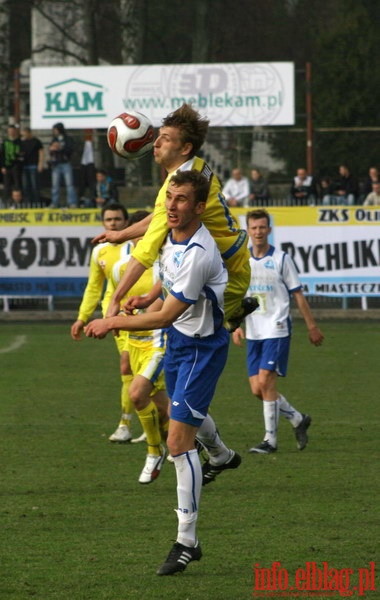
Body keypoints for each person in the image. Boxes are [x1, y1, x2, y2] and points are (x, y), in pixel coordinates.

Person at [85, 170, 241, 576]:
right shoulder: (172, 235)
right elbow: (167, 289)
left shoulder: (199, 253)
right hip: (179, 341)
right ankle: (222, 454)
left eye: (182, 199)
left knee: (177, 440)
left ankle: (187, 540)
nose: (172, 206)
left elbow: (167, 315)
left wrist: (112, 321)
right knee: (182, 411)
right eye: (169, 197)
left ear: (200, 207)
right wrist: (148, 294)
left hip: (201, 350)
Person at [92, 103, 253, 333]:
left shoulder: (180, 185)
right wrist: (122, 234)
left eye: (165, 139)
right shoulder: (196, 168)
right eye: (158, 136)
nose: (155, 143)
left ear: (185, 148)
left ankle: (231, 316)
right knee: (159, 315)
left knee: (175, 329)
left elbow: (145, 251)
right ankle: (233, 314)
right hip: (229, 264)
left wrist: (116, 299)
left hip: (225, 277)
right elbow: (160, 216)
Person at [232, 209, 324, 454]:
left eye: (262, 227)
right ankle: (297, 418)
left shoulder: (282, 259)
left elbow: (298, 295)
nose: (258, 232)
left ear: (269, 230)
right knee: (257, 390)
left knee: (266, 382)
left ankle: (270, 440)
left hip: (277, 327)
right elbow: (237, 296)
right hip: (254, 330)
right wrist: (236, 325)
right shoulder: (243, 260)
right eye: (254, 228)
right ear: (248, 231)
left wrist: (312, 326)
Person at [105, 209, 169, 483]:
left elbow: (163, 303)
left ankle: (154, 451)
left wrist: (115, 320)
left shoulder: (172, 255)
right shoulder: (128, 261)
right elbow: (110, 291)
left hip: (158, 339)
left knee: (137, 393)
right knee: (166, 412)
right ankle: (205, 449)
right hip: (134, 339)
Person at [70, 203, 137, 443]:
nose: (113, 223)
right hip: (115, 317)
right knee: (129, 368)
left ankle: (143, 424)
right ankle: (129, 424)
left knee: (135, 369)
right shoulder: (99, 252)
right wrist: (82, 317)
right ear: (103, 223)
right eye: (108, 219)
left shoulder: (138, 247)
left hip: (142, 313)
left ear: (126, 222)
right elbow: (94, 287)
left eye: (118, 219)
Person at [48, 122, 77, 208]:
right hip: (56, 164)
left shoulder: (68, 139)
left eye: (56, 130)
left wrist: (60, 148)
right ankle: (55, 202)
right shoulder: (54, 139)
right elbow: (51, 151)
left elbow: (70, 150)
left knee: (69, 185)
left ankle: (72, 202)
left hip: (65, 163)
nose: (55, 132)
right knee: (55, 185)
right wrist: (52, 149)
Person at [0, 125, 23, 207]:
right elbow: (2, 154)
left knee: (17, 185)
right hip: (7, 167)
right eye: (10, 131)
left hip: (16, 167)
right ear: (8, 132)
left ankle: (18, 204)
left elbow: (22, 154)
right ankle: (7, 203)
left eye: (13, 131)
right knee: (7, 186)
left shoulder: (19, 142)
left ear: (15, 132)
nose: (11, 132)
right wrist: (2, 166)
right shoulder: (5, 142)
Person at [21, 127, 44, 208]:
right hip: (24, 166)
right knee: (25, 186)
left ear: (29, 133)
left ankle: (36, 203)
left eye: (25, 133)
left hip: (33, 165)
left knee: (35, 186)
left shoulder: (36, 141)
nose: (24, 135)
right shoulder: (22, 142)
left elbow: (41, 152)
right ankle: (28, 204)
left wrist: (40, 163)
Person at [78, 129, 96, 206]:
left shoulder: (93, 143)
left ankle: (93, 199)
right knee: (82, 181)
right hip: (83, 165)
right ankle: (81, 200)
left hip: (90, 165)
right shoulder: (81, 143)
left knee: (91, 181)